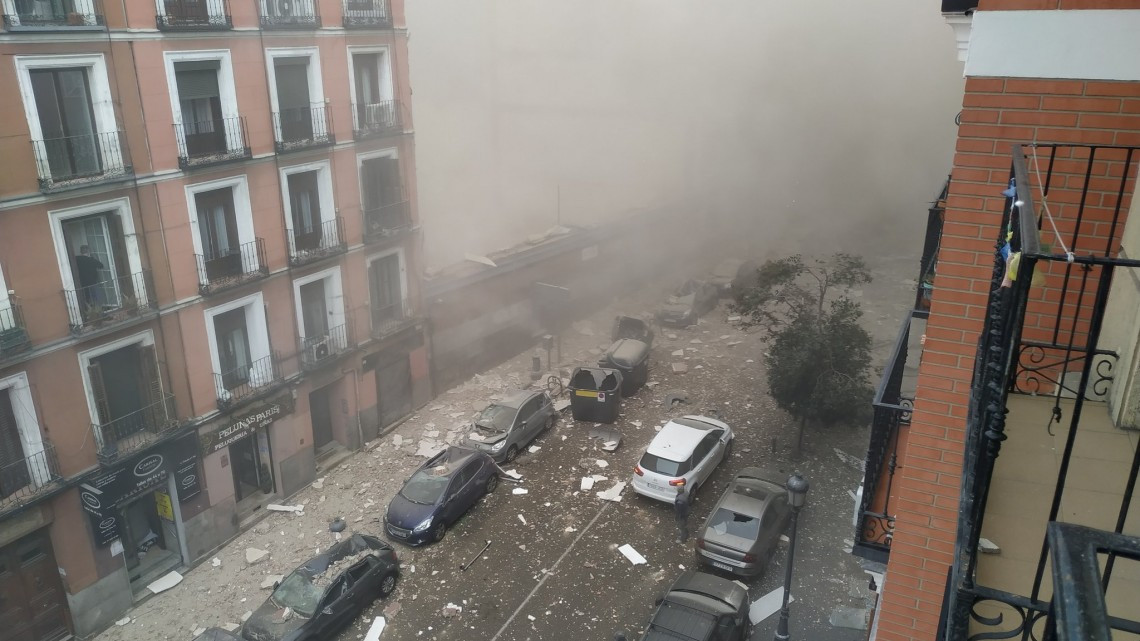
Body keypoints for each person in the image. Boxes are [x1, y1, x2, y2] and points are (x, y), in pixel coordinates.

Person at [74, 245, 105, 313]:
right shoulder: (91, 260)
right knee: (96, 299)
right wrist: (91, 257)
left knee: (86, 299)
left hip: (82, 283)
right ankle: (99, 313)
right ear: (88, 251)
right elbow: (101, 265)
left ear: (80, 252)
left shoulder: (76, 259)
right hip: (92, 282)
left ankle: (89, 313)